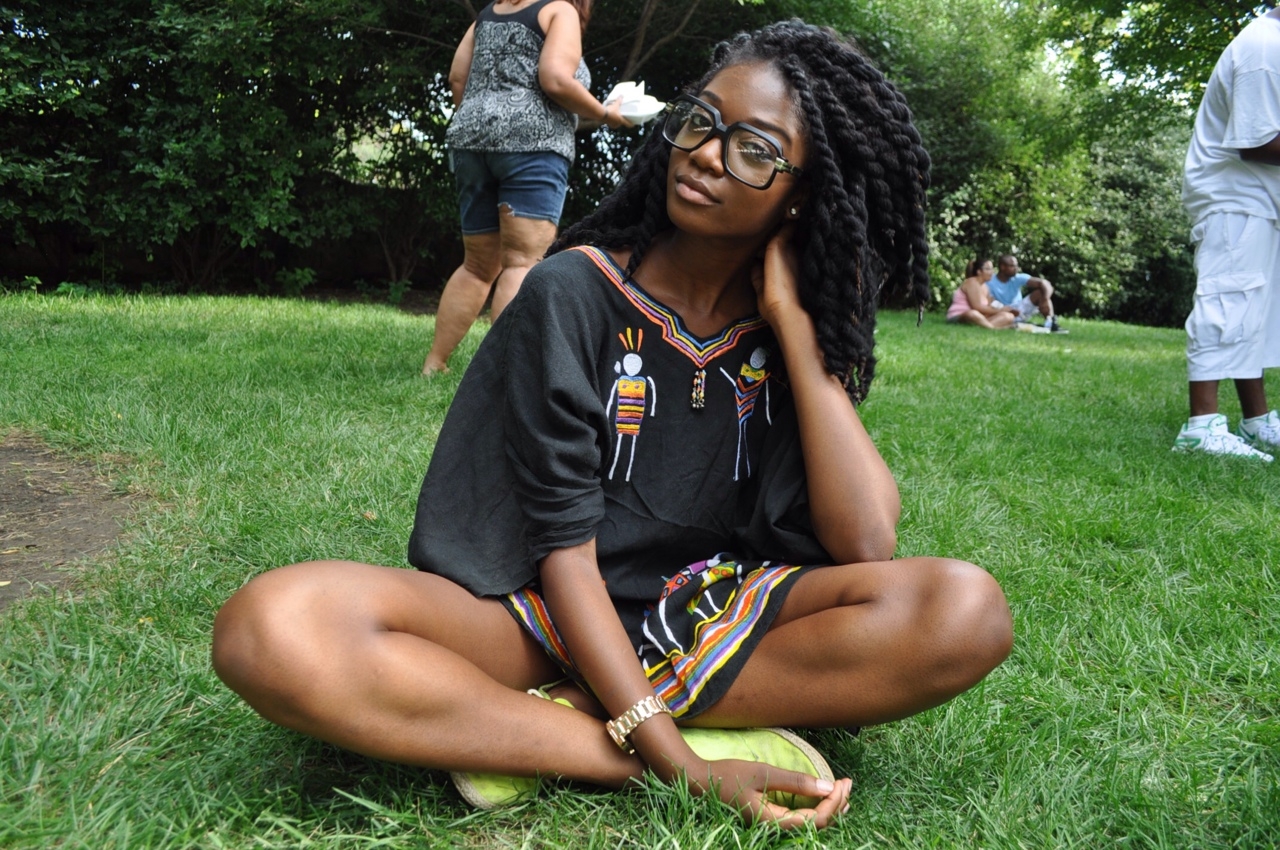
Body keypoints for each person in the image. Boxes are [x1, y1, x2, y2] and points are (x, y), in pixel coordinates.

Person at [213, 21, 1013, 830]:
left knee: (966, 610)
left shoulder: (788, 323)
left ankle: (521, 725)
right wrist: (680, 767)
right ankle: (603, 743)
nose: (706, 154)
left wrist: (800, 338)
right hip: (537, 619)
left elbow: (868, 543)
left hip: (709, 617)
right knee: (274, 627)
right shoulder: (570, 293)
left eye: (755, 152)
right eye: (701, 122)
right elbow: (564, 557)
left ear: (802, 192)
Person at [421, 0, 629, 376]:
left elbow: (457, 79)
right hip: (532, 147)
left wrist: (487, 120)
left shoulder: (487, 15)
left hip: (472, 142)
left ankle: (435, 363)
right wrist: (604, 114)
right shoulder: (557, 10)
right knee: (520, 262)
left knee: (476, 265)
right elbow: (555, 79)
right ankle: (502, 374)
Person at [1172, 7, 1280, 460]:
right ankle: (1201, 427)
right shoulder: (1265, 48)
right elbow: (1256, 142)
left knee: (1250, 312)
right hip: (1234, 197)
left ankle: (1256, 422)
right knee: (1227, 300)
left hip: (1257, 199)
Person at [987, 254, 1065, 332]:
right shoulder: (989, 281)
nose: (1016, 268)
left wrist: (1045, 299)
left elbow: (1045, 283)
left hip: (1020, 309)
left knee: (1040, 293)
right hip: (1003, 312)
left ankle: (1050, 322)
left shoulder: (1017, 277)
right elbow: (989, 302)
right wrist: (1005, 310)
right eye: (1012, 266)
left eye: (1016, 266)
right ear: (1002, 267)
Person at [946, 258, 1018, 329]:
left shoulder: (985, 287)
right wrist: (1000, 310)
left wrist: (1005, 309)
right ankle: (994, 328)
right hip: (961, 315)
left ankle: (985, 326)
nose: (992, 272)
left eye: (992, 269)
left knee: (1009, 316)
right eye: (988, 269)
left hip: (980, 317)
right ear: (979, 271)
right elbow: (977, 307)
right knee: (972, 313)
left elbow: (990, 306)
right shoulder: (972, 282)